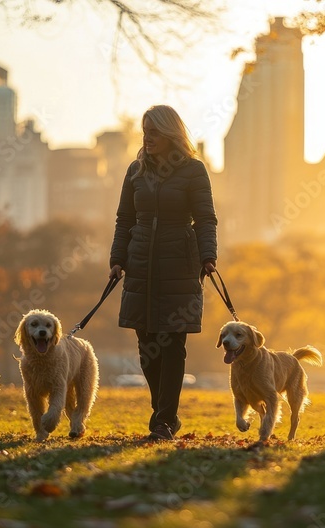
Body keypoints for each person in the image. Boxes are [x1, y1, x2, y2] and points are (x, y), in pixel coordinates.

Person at [109, 105, 218, 441]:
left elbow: (205, 219)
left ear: (171, 133)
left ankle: (164, 420)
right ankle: (163, 413)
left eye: (154, 131)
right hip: (140, 264)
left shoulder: (194, 170)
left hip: (180, 264)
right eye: (145, 131)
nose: (148, 137)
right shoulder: (135, 170)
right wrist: (117, 258)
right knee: (146, 345)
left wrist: (208, 256)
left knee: (172, 344)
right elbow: (124, 219)